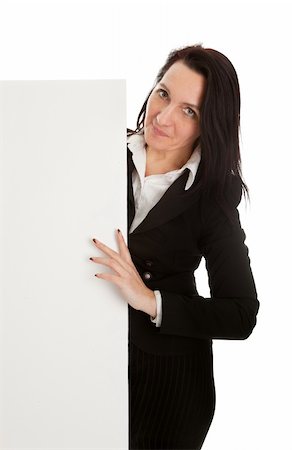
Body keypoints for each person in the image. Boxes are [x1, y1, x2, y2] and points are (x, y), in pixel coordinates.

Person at [89, 44, 260, 449]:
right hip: (84, 357)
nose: (163, 118)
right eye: (163, 93)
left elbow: (240, 314)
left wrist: (150, 300)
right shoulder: (96, 150)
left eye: (189, 111)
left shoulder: (214, 197)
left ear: (208, 124)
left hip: (169, 386)